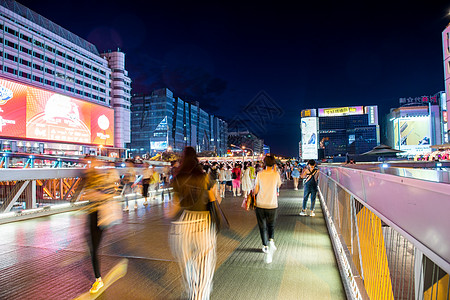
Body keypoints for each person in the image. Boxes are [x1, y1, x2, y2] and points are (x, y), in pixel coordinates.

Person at [168, 147, 218, 300]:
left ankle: (193, 291)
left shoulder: (177, 179)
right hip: (203, 224)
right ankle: (199, 295)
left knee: (189, 265)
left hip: (183, 226)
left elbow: (173, 209)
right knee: (204, 267)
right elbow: (215, 200)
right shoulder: (205, 178)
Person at [82, 158, 120, 294]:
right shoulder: (92, 177)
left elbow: (109, 193)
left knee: (94, 248)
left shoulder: (97, 177)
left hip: (98, 215)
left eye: (90, 163)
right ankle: (98, 278)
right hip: (94, 215)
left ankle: (98, 279)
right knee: (92, 246)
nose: (88, 166)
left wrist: (95, 195)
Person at [253, 154, 282, 264]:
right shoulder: (276, 174)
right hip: (272, 204)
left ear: (264, 163)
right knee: (271, 225)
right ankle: (271, 241)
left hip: (260, 203)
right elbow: (278, 185)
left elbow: (256, 190)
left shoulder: (260, 174)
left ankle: (264, 245)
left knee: (262, 226)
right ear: (274, 163)